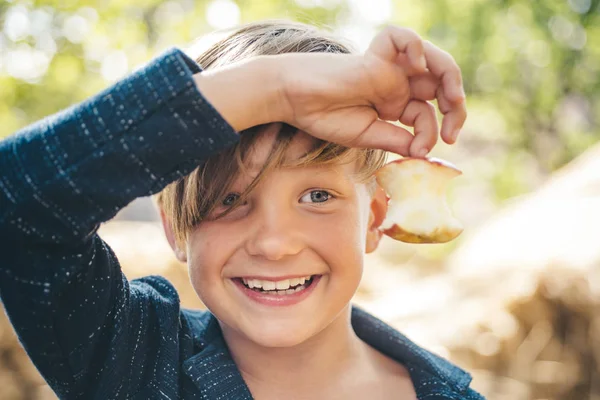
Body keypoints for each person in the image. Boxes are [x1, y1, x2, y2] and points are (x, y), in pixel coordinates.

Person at [0, 20, 482, 399]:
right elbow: (17, 200)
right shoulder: (133, 359)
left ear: (377, 217)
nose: (274, 243)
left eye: (317, 196)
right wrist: (274, 91)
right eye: (228, 200)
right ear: (175, 229)